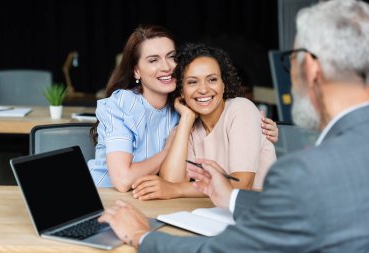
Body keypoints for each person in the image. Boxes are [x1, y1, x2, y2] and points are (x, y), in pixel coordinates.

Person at [98, 0, 369, 251]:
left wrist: (141, 235)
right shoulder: (177, 116)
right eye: (191, 81)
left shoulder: (301, 174)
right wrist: (230, 196)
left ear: (310, 68)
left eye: (292, 59)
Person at [88, 24, 278, 191]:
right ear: (136, 70)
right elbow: (124, 181)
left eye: (171, 57)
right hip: (106, 195)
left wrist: (259, 132)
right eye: (153, 60)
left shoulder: (184, 106)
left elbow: (172, 183)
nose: (166, 67)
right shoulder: (123, 104)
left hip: (150, 200)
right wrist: (168, 150)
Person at [131, 44, 276, 200]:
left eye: (212, 79)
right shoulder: (188, 127)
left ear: (223, 84)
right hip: (219, 213)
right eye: (192, 82)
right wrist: (186, 118)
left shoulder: (241, 110)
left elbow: (241, 186)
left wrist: (177, 189)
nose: (203, 89)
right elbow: (171, 182)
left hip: (263, 213)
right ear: (181, 90)